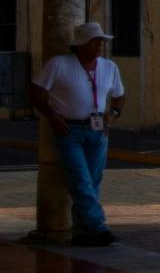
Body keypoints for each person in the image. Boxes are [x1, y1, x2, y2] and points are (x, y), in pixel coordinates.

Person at [28, 22, 126, 247]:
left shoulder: (109, 67)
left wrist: (112, 114)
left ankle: (82, 233)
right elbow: (35, 92)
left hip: (98, 130)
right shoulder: (59, 64)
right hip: (69, 130)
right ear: (81, 44)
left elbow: (119, 96)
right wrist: (52, 116)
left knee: (93, 182)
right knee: (80, 181)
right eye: (95, 40)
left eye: (101, 41)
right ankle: (99, 227)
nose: (100, 45)